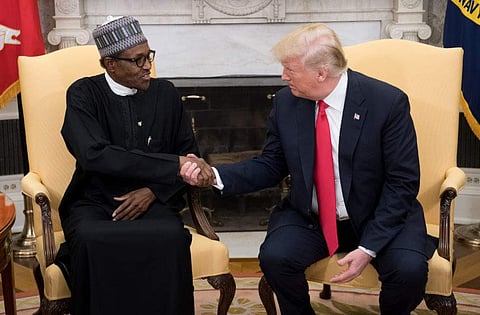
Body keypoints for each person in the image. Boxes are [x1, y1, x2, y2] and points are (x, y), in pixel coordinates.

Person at [181, 23, 437, 315]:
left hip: (379, 214)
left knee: (409, 271)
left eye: (290, 69)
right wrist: (213, 175)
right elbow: (271, 164)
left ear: (321, 73)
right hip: (313, 217)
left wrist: (368, 248)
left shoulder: (387, 103)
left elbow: (402, 182)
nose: (283, 76)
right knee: (276, 257)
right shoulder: (286, 102)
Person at [57, 15, 212, 315]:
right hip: (94, 201)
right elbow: (95, 155)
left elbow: (188, 154)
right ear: (110, 64)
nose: (147, 66)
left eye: (148, 56)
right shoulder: (83, 94)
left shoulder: (165, 93)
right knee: (90, 239)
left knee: (170, 237)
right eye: (137, 60)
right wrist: (173, 165)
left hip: (155, 200)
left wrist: (153, 190)